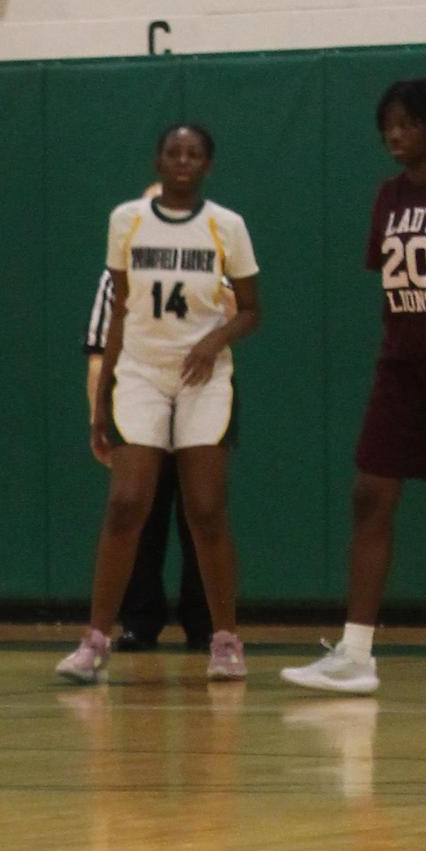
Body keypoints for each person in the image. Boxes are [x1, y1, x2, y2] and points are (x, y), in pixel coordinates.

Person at [285, 77, 426, 701]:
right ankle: (356, 654)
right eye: (388, 122)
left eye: (407, 122)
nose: (394, 132)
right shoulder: (387, 197)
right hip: (401, 366)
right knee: (370, 496)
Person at [55, 122, 258, 684]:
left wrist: (214, 341)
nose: (183, 161)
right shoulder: (127, 220)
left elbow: (251, 310)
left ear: (208, 164)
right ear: (158, 159)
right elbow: (119, 310)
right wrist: (102, 398)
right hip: (141, 371)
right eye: (174, 152)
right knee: (126, 502)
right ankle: (95, 640)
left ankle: (225, 639)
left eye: (194, 154)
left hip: (203, 375)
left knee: (207, 509)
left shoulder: (227, 225)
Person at [84, 254, 210, 652]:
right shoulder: (117, 276)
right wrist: (99, 415)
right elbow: (98, 353)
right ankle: (138, 623)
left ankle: (208, 627)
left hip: (197, 399)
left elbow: (237, 314)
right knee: (135, 512)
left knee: (202, 514)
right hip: (140, 404)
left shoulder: (209, 263)